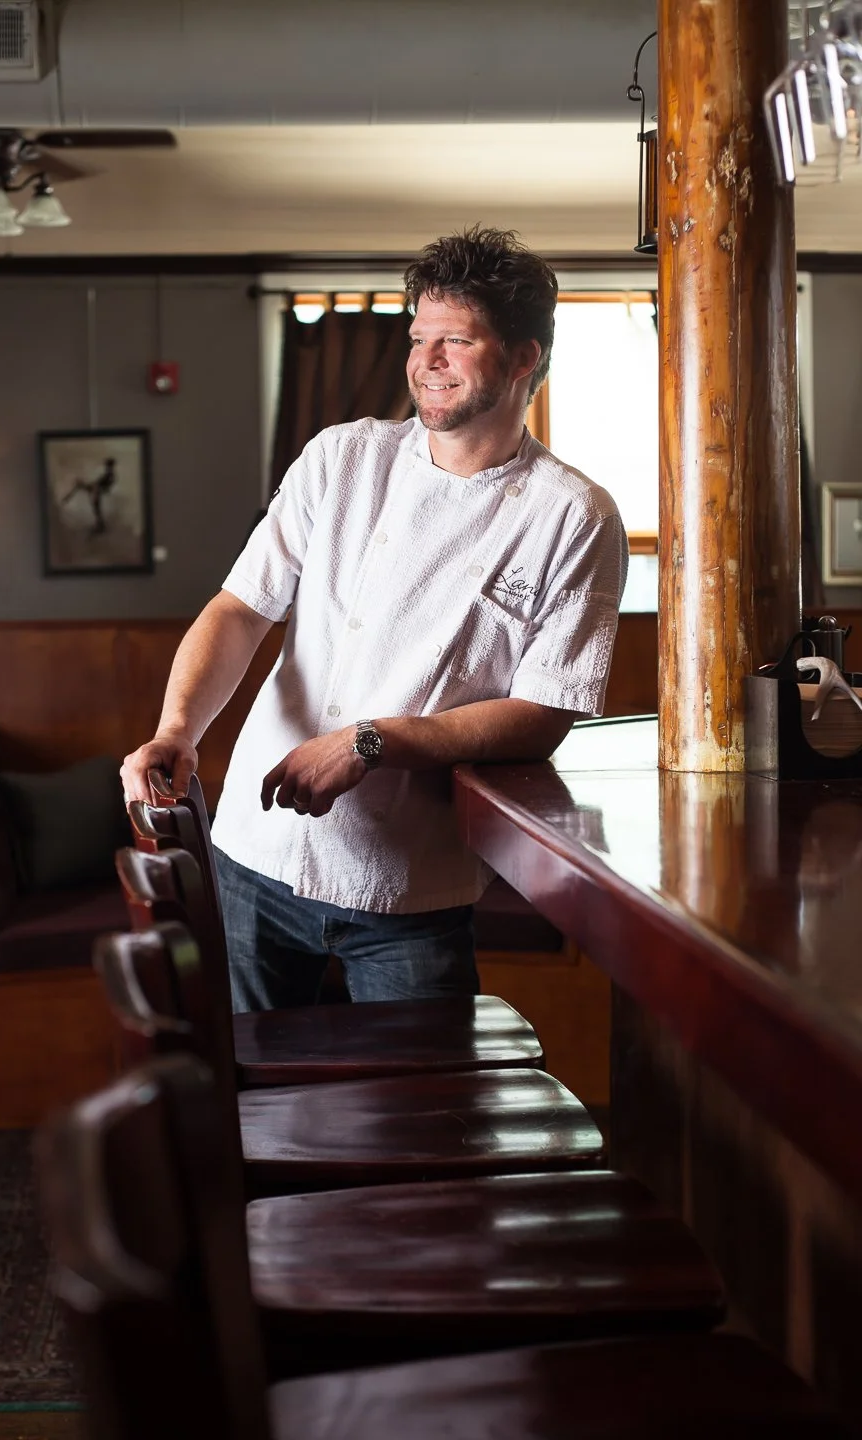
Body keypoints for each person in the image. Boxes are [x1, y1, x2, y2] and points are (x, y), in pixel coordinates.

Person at [121, 226, 628, 1011]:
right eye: (418, 337)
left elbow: (545, 712)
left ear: (525, 357)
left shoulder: (576, 516)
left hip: (410, 892)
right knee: (249, 1108)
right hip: (254, 856)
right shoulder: (342, 458)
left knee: (419, 1123)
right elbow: (239, 608)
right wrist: (178, 727)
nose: (425, 361)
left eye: (454, 341)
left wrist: (372, 741)